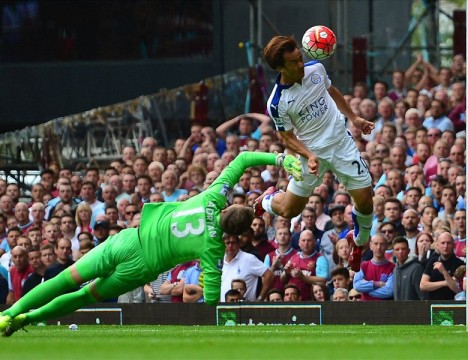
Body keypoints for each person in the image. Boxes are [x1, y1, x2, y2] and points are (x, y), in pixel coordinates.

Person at [0, 151, 300, 336]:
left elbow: (244, 158)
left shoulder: (213, 196)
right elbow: (210, 296)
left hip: (129, 240)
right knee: (84, 297)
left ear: (225, 208)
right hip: (142, 268)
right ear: (231, 236)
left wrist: (280, 159)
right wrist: (216, 311)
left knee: (67, 277)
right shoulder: (213, 246)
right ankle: (30, 318)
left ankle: (9, 314)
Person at [257, 35, 374, 257]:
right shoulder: (277, 102)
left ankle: (358, 243)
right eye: (293, 62)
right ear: (280, 67)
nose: (300, 64)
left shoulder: (316, 69)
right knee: (290, 211)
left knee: (366, 202)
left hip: (341, 143)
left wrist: (354, 118)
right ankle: (268, 199)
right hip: (311, 156)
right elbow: (287, 137)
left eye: (300, 58)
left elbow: (332, 92)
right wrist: (309, 155)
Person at [221, 234, 274, 302]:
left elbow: (269, 275)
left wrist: (260, 299)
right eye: (227, 243)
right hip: (223, 307)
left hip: (245, 308)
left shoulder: (248, 259)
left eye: (233, 243)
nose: (230, 246)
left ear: (238, 243)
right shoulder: (220, 260)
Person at [420, 232, 464, 300]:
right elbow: (423, 285)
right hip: (432, 305)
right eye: (443, 243)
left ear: (453, 245)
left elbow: (458, 290)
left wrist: (444, 272)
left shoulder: (459, 264)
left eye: (448, 243)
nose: (445, 246)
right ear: (437, 245)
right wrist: (444, 283)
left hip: (451, 305)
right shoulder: (432, 261)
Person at [353, 234, 395, 301]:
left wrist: (366, 291)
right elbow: (357, 285)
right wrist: (378, 284)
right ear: (370, 245)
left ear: (386, 246)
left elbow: (389, 291)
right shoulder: (363, 266)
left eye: (382, 244)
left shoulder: (392, 268)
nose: (379, 247)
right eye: (376, 244)